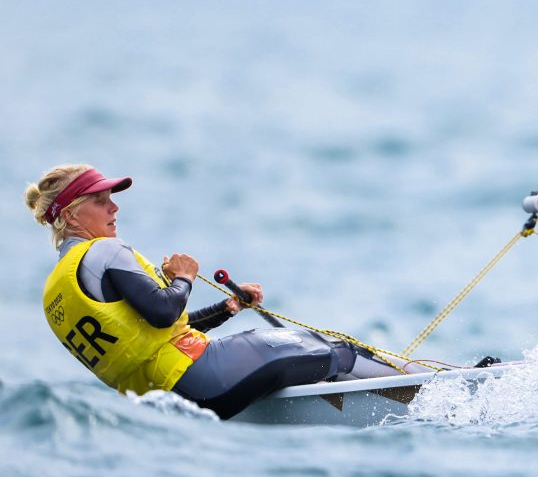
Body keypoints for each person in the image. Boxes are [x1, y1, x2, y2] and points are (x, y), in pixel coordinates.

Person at [26, 164, 408, 419]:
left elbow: (154, 337)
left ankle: (363, 398)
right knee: (336, 350)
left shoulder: (55, 293)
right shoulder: (105, 251)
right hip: (204, 376)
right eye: (100, 200)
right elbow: (164, 311)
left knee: (309, 359)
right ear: (71, 213)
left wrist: (225, 309)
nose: (114, 207)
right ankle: (426, 391)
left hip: (170, 399)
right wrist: (184, 277)